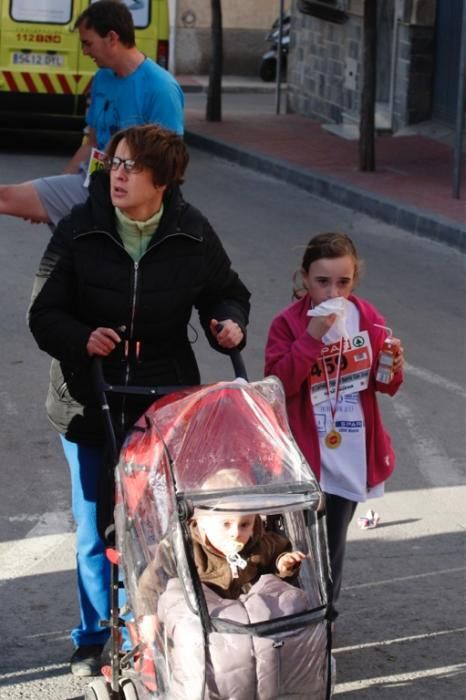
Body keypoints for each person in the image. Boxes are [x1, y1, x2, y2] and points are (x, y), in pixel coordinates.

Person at [28, 124, 250, 676]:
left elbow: (227, 290)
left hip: (163, 397)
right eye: (113, 163)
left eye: (129, 166)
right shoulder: (83, 225)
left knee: (158, 525)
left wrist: (229, 324)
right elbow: (44, 311)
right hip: (87, 392)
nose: (116, 175)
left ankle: (152, 626)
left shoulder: (191, 232)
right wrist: (82, 338)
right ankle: (93, 635)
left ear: (163, 180)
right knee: (94, 526)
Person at [264, 232, 404, 607]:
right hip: (305, 454)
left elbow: (383, 385)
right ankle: (293, 618)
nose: (332, 293)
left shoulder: (367, 318)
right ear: (305, 279)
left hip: (351, 451)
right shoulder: (288, 323)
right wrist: (311, 337)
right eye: (322, 282)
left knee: (330, 547)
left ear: (354, 279)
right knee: (295, 546)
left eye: (343, 282)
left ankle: (324, 624)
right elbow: (279, 385)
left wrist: (392, 365)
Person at [0, 0, 184, 227]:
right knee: (7, 197)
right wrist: (54, 193)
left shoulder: (160, 88)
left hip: (126, 198)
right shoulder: (102, 79)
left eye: (88, 43)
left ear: (112, 38)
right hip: (92, 181)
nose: (84, 51)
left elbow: (169, 166)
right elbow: (92, 143)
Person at [137, 468, 305, 645]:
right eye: (226, 524)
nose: (236, 533)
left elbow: (276, 555)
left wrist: (283, 564)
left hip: (247, 623)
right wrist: (150, 616)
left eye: (245, 524)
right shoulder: (184, 548)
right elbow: (152, 581)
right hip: (202, 623)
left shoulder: (259, 543)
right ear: (202, 523)